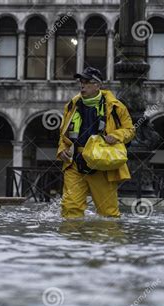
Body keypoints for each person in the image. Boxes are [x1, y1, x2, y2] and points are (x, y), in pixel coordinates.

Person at [56, 67, 136, 219]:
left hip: (102, 162)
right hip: (75, 163)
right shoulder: (72, 105)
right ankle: (71, 240)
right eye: (81, 82)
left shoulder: (116, 106)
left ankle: (106, 239)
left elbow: (130, 130)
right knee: (70, 208)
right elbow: (63, 133)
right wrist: (62, 150)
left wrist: (116, 136)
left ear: (98, 85)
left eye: (87, 82)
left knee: (108, 212)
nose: (82, 86)